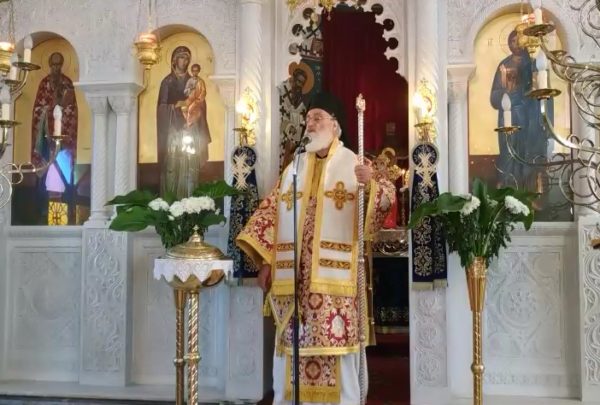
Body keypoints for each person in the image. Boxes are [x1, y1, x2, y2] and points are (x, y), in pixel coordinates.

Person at [237, 92, 395, 404]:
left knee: (335, 351)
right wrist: (267, 261)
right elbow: (271, 212)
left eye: (317, 118)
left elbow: (386, 198)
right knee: (293, 350)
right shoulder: (294, 167)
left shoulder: (354, 162)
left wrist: (371, 184)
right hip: (294, 282)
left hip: (334, 284)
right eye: (308, 119)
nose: (310, 124)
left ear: (335, 125)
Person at [490, 30, 553, 190]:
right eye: (512, 41)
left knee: (530, 153)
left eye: (519, 40)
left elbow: (545, 95)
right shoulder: (504, 66)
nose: (516, 44)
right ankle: (507, 189)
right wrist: (507, 93)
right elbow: (494, 97)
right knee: (509, 153)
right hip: (510, 118)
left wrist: (547, 122)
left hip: (531, 119)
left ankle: (532, 190)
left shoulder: (535, 65)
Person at [31, 51, 78, 224]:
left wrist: (60, 109)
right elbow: (38, 108)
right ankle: (44, 214)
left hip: (63, 142)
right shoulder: (44, 83)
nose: (56, 68)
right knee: (46, 177)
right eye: (53, 65)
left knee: (62, 176)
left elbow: (71, 110)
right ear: (50, 65)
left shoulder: (67, 83)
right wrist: (48, 110)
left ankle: (63, 217)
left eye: (59, 65)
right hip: (45, 139)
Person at [157, 47, 210, 198]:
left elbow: (201, 102)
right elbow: (161, 107)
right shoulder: (167, 82)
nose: (184, 61)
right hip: (173, 129)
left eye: (187, 58)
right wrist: (175, 107)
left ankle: (191, 202)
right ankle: (170, 201)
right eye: (181, 57)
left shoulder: (194, 81)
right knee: (172, 165)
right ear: (174, 60)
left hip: (190, 127)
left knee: (190, 165)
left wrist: (194, 107)